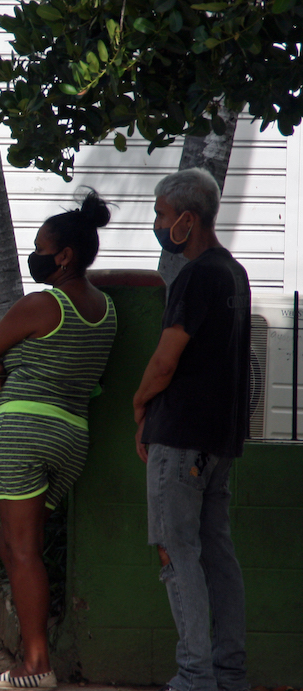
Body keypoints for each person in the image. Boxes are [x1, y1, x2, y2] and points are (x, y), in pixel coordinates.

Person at [0, 191, 117, 690]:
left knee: (23, 548)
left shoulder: (41, 304)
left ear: (65, 255)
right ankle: (33, 658)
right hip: (72, 435)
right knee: (11, 544)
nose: (35, 257)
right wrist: (6, 362)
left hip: (25, 431)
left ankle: (36, 666)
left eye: (40, 248)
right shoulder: (107, 310)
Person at [133, 169, 250, 691]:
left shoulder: (197, 275)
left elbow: (165, 360)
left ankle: (195, 675)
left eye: (162, 215)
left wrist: (139, 404)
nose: (159, 225)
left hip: (181, 437)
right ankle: (226, 673)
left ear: (187, 218)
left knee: (176, 554)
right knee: (217, 556)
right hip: (219, 438)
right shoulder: (234, 273)